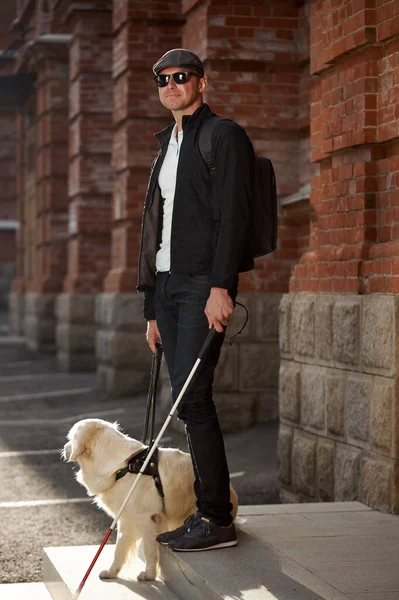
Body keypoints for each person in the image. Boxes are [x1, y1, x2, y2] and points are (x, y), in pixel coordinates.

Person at [137, 48, 254, 552]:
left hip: (202, 284)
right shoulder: (167, 144)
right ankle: (208, 512)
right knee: (186, 401)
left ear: (201, 83)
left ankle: (215, 517)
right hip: (167, 287)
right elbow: (154, 227)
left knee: (193, 399)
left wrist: (221, 286)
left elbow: (234, 216)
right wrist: (150, 307)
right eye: (162, 78)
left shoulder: (222, 136)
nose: (170, 84)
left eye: (180, 77)